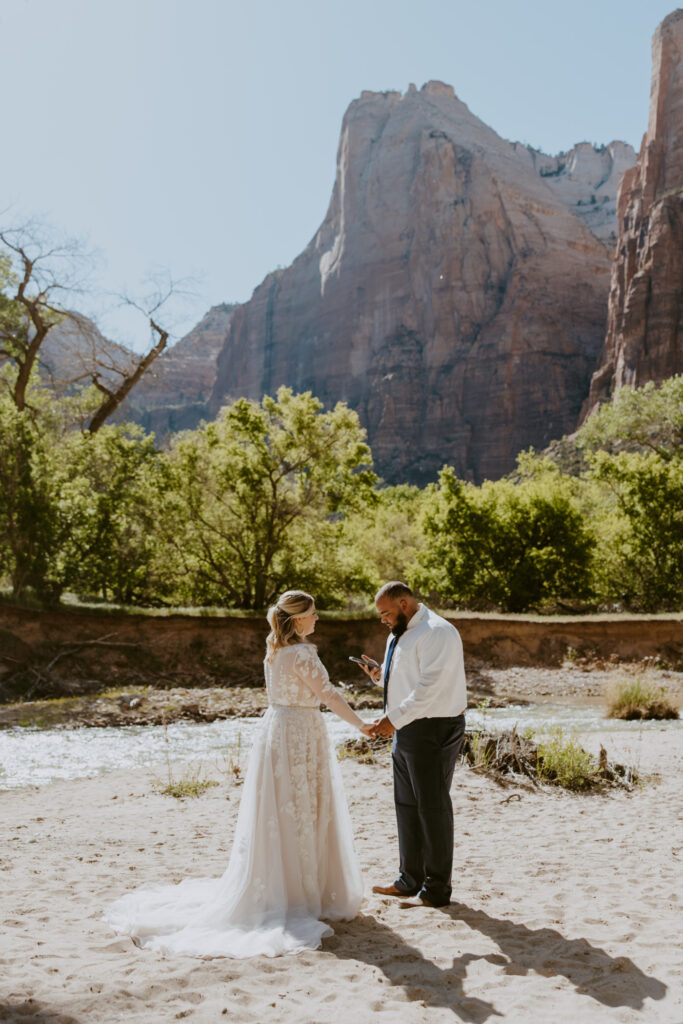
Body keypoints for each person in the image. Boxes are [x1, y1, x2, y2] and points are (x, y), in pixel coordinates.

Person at [104, 590, 372, 958]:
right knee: (303, 807)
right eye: (312, 613)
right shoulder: (303, 653)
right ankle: (302, 894)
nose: (317, 618)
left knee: (282, 809)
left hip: (278, 729)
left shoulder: (274, 651)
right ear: (296, 619)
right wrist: (362, 724)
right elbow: (327, 694)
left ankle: (290, 888)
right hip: (300, 733)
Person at [360, 581, 467, 908]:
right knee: (406, 805)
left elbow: (428, 691)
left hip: (434, 728)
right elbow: (407, 677)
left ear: (404, 603)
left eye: (386, 613)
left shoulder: (438, 632)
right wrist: (379, 675)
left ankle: (436, 890)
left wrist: (392, 720)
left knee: (432, 807)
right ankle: (410, 880)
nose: (383, 620)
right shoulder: (399, 633)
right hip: (407, 729)